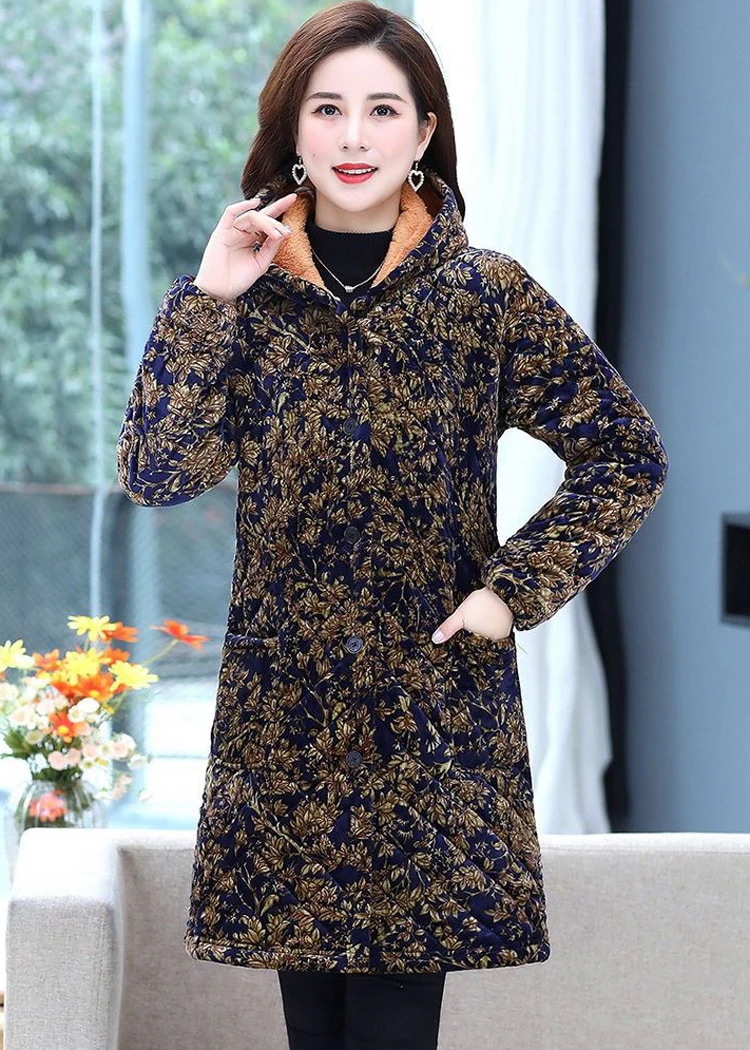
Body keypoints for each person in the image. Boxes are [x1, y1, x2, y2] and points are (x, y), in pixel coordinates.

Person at [116, 2, 669, 1048]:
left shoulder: (485, 297)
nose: (355, 136)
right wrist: (209, 298)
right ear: (293, 132)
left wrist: (513, 592)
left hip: (432, 718)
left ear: (424, 132)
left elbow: (625, 455)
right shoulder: (247, 304)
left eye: (382, 109)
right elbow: (156, 473)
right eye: (328, 109)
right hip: (287, 725)